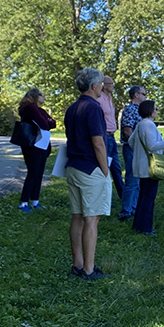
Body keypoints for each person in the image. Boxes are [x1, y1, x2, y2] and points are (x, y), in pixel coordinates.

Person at [65, 68, 111, 280]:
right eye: (101, 83)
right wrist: (105, 170)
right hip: (90, 167)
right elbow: (98, 142)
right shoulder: (94, 107)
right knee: (92, 218)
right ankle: (89, 269)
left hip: (73, 166)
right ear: (93, 86)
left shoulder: (72, 108)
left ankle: (78, 263)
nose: (103, 86)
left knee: (77, 216)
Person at [129, 100, 164, 235]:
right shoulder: (148, 124)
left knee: (143, 196)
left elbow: (131, 142)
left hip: (141, 165)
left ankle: (138, 225)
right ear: (149, 110)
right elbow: (152, 146)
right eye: (155, 108)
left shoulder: (140, 124)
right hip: (149, 166)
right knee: (148, 197)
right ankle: (146, 228)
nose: (157, 111)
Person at [17, 88, 56, 212]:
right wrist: (47, 121)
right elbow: (44, 124)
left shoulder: (40, 110)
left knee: (39, 173)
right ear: (35, 96)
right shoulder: (30, 108)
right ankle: (23, 202)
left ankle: (35, 201)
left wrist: (48, 121)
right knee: (33, 173)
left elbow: (53, 123)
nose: (43, 97)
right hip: (33, 145)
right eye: (41, 95)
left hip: (41, 144)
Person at [118, 85, 147, 221]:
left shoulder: (139, 110)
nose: (145, 96)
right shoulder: (130, 109)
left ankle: (134, 207)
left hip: (139, 148)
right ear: (136, 95)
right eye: (143, 94)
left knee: (137, 179)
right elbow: (127, 129)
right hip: (132, 148)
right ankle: (126, 211)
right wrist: (134, 145)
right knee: (132, 179)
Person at [96, 75, 124, 201]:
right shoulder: (99, 99)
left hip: (112, 137)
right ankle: (102, 196)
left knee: (116, 168)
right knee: (104, 167)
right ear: (104, 85)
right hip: (104, 136)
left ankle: (123, 196)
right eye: (111, 83)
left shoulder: (109, 98)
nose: (113, 85)